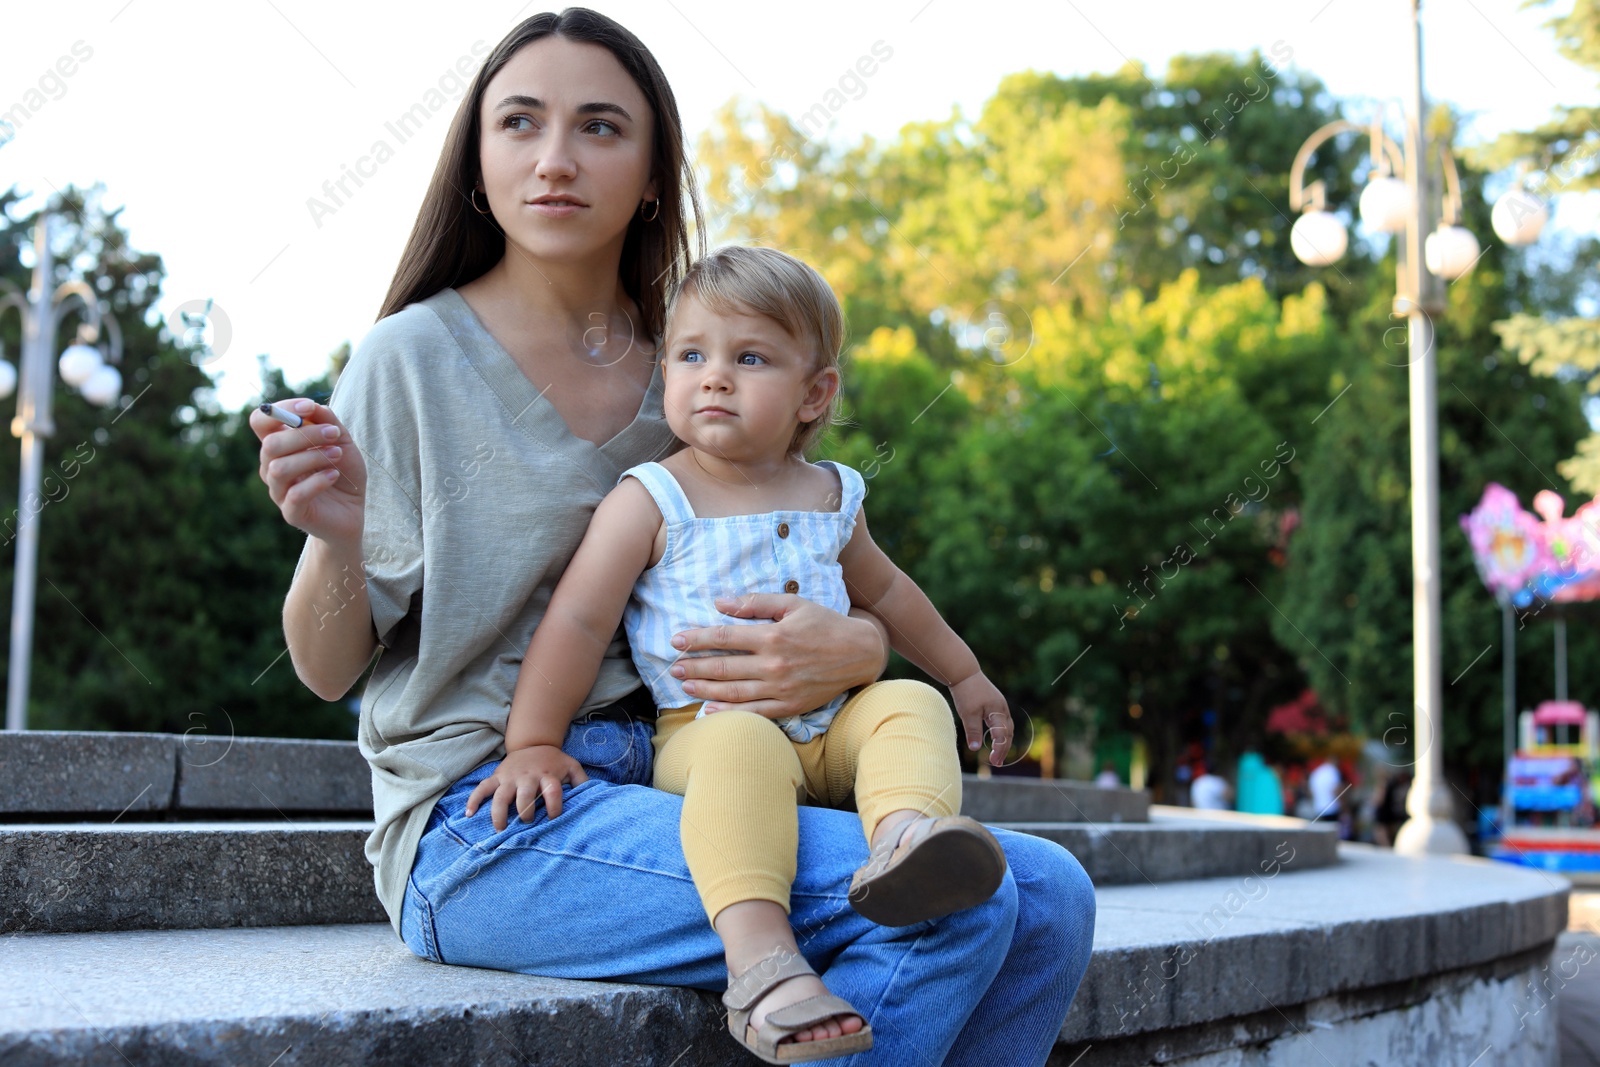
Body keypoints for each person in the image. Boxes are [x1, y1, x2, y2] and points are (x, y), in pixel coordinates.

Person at [248, 9, 1095, 1065]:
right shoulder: (408, 358)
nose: (554, 159)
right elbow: (329, 670)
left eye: (599, 127)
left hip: (689, 766)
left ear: (652, 172)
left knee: (1054, 891)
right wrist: (334, 537)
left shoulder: (698, 372)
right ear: (477, 156)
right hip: (488, 813)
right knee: (958, 903)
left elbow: (834, 567)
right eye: (519, 122)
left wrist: (865, 650)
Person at [467, 244, 1012, 1060]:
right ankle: (760, 958)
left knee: (908, 702)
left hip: (837, 731)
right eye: (693, 355)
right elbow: (578, 621)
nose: (714, 376)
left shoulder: (833, 495)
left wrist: (963, 675)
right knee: (739, 743)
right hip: (708, 726)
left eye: (749, 357)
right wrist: (534, 741)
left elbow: (891, 596)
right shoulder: (653, 497)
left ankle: (904, 842)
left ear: (813, 393)